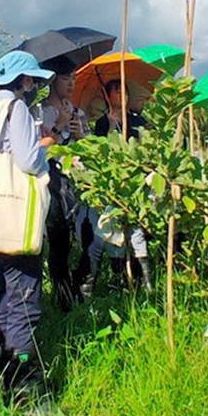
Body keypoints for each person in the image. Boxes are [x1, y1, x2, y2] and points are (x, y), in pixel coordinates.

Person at [0, 51, 55, 416]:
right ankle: (27, 388)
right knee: (24, 300)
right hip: (14, 217)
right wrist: (45, 152)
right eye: (35, 82)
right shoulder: (18, 110)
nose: (37, 88)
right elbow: (26, 160)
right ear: (24, 82)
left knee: (4, 295)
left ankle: (3, 373)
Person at [32, 57, 90, 311]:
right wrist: (61, 125)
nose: (71, 83)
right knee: (57, 239)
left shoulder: (79, 111)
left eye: (74, 78)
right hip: (51, 180)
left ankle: (80, 286)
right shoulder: (38, 111)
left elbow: (89, 148)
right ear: (53, 81)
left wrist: (79, 135)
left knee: (84, 236)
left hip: (76, 180)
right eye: (67, 78)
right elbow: (36, 149)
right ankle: (62, 295)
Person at [86, 79, 154, 292]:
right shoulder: (102, 122)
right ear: (108, 96)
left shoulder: (137, 120)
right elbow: (101, 151)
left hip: (135, 180)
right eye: (117, 91)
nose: (122, 95)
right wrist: (112, 127)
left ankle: (145, 280)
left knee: (137, 228)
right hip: (114, 181)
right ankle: (118, 277)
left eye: (125, 91)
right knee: (114, 229)